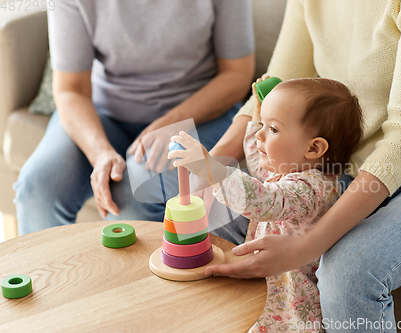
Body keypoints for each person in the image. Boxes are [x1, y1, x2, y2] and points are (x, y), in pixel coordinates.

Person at [204, 0, 401, 332]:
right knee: (216, 227)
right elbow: (274, 89)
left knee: (349, 272)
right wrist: (209, 163)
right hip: (353, 170)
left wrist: (304, 247)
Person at [13, 0, 255, 235]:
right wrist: (100, 153)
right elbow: (70, 89)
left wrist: (174, 120)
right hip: (104, 114)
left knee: (134, 194)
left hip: (200, 114)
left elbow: (237, 74)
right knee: (37, 189)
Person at [168, 77, 364, 333]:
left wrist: (210, 167)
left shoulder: (311, 190)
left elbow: (262, 199)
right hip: (271, 287)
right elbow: (259, 158)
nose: (260, 134)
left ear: (314, 147)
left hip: (291, 303)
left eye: (273, 129)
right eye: (264, 126)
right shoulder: (290, 167)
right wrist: (258, 117)